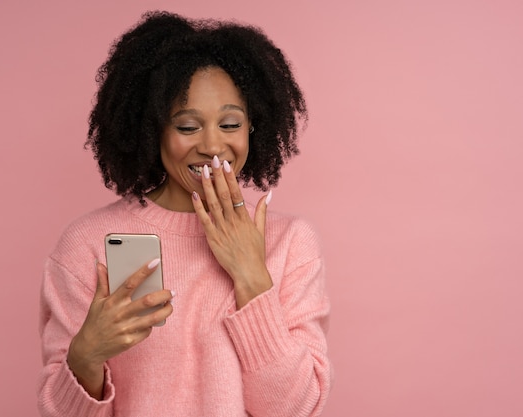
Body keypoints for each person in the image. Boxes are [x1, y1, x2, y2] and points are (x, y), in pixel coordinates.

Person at [37, 10, 332, 417]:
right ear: (151, 130)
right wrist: (85, 358)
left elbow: (295, 409)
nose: (212, 145)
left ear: (253, 128)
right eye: (188, 127)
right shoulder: (87, 243)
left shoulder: (291, 242)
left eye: (230, 123)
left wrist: (251, 275)